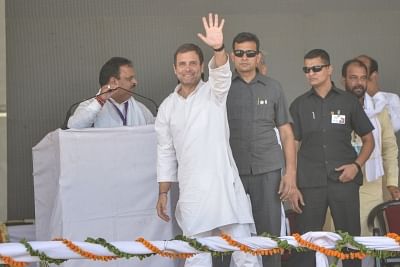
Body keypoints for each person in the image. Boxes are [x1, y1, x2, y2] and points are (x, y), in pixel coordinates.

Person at [155, 14, 258, 267]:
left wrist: (218, 48)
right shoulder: (167, 107)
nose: (187, 68)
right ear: (174, 68)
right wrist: (163, 192)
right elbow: (165, 151)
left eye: (193, 63)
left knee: (244, 253)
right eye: (182, 64)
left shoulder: (214, 92)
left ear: (202, 67)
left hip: (224, 184)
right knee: (196, 257)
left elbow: (222, 72)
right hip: (192, 191)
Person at [289, 49, 375, 267]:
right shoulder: (298, 105)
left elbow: (369, 140)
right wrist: (291, 183)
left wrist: (357, 166)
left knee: (350, 243)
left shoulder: (348, 102)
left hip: (343, 180)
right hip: (310, 183)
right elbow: (293, 145)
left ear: (329, 70)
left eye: (316, 68)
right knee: (306, 244)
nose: (311, 73)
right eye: (306, 69)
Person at [226, 32, 301, 267]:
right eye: (239, 53)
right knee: (229, 236)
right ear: (232, 56)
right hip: (231, 172)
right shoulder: (221, 87)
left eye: (250, 53)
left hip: (268, 169)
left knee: (269, 238)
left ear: (258, 56)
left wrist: (290, 174)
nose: (244, 58)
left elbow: (287, 134)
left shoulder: (273, 87)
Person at [342, 58, 399, 267]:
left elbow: (389, 148)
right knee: (340, 241)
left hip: (371, 184)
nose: (358, 83)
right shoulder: (335, 105)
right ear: (343, 80)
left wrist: (392, 181)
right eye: (353, 78)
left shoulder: (379, 108)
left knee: (367, 243)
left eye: (362, 78)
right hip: (341, 182)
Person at [67, 57, 154, 128]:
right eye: (129, 78)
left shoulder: (141, 109)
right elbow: (73, 127)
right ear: (113, 82)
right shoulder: (89, 105)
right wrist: (99, 101)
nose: (135, 82)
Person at [356, 55, 400, 133]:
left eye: (362, 66)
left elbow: (395, 126)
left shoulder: (391, 98)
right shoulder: (346, 98)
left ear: (374, 75)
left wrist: (376, 95)